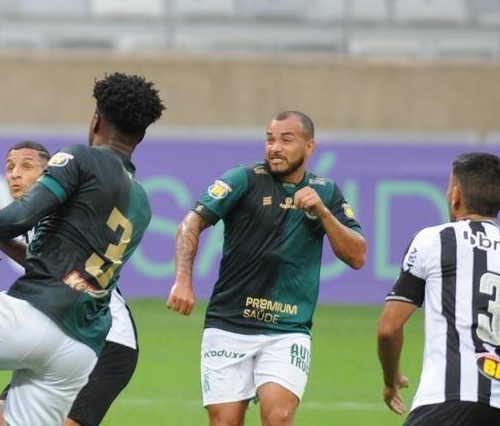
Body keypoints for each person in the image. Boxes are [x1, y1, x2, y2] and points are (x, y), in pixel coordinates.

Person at [0, 73, 165, 426]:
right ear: (141, 135)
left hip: (40, 315)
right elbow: (60, 258)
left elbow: (23, 214)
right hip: (79, 344)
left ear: (96, 121)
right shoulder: (142, 202)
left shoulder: (80, 158)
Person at [167, 110, 367, 426]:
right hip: (229, 324)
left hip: (287, 328)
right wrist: (182, 280)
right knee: (225, 422)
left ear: (309, 146)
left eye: (286, 140)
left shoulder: (325, 192)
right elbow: (191, 222)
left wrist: (323, 213)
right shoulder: (243, 179)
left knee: (279, 417)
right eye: (270, 139)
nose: (275, 147)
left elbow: (357, 256)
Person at [0, 140, 141, 426]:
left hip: (108, 340)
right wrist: (0, 237)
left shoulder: (64, 212)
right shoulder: (43, 218)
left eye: (27, 167)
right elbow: (39, 261)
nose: (15, 174)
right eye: (10, 167)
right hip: (65, 332)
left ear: (50, 174)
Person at [376, 151, 500, 425]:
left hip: (445, 402)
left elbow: (388, 328)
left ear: (456, 196)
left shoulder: (434, 241)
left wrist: (390, 378)